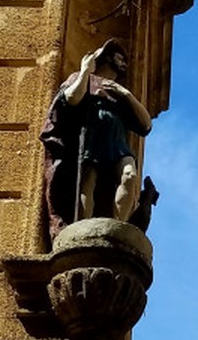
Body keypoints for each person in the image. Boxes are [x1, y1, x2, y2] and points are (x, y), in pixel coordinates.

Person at [40, 40, 152, 243]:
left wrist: (125, 94)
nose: (124, 63)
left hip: (117, 143)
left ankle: (118, 225)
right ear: (107, 58)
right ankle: (83, 227)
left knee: (129, 175)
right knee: (87, 182)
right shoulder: (83, 79)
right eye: (120, 58)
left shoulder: (119, 91)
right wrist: (85, 71)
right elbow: (71, 99)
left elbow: (145, 125)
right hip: (91, 139)